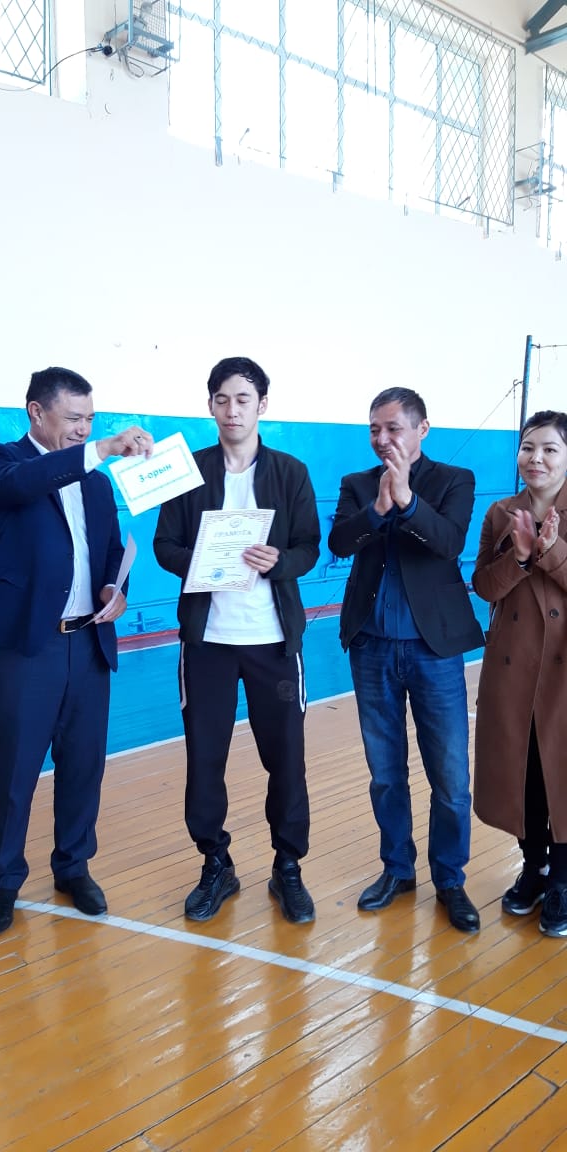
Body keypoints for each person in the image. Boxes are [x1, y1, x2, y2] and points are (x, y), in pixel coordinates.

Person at [0, 366, 154, 935]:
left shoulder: (96, 484)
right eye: (73, 418)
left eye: (90, 419)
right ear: (36, 412)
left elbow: (112, 551)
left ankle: (73, 866)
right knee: (15, 769)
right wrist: (102, 449)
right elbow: (23, 485)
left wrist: (116, 589)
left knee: (84, 765)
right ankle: (3, 881)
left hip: (88, 642)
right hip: (26, 647)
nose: (83, 428)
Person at [153, 356, 320, 924]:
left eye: (243, 399)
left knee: (287, 760)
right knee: (205, 759)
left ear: (262, 405)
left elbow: (308, 546)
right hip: (208, 643)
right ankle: (216, 863)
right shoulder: (190, 472)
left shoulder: (291, 472)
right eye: (222, 399)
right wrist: (202, 561)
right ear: (210, 405)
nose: (232, 410)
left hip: (273, 642)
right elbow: (165, 545)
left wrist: (279, 562)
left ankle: (287, 866)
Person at [328, 387, 484, 932]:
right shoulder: (357, 484)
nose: (382, 438)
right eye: (374, 428)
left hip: (433, 649)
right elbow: (339, 543)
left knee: (451, 776)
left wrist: (408, 500)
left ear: (422, 429)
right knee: (386, 774)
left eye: (392, 428)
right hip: (371, 646)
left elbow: (449, 542)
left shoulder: (454, 480)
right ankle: (397, 869)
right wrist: (378, 507)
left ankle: (450, 879)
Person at [473, 410, 567, 938]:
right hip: (512, 666)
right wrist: (522, 558)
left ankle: (564, 880)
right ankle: (534, 867)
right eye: (529, 447)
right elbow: (485, 586)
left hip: (563, 667)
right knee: (522, 769)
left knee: (563, 774)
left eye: (550, 449)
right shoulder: (500, 512)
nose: (536, 458)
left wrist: (551, 552)